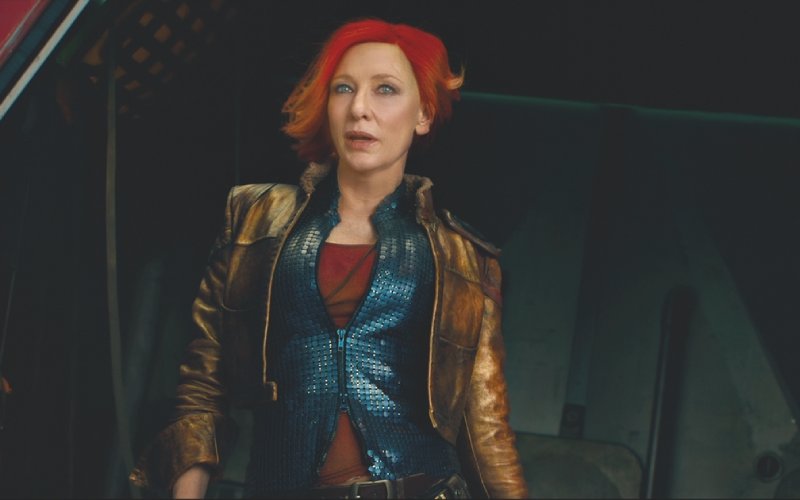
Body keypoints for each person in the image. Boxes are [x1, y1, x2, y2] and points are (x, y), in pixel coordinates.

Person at [130, 18, 529, 499]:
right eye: (344, 88)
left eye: (385, 89)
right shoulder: (256, 218)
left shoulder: (461, 256)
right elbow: (203, 384)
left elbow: (486, 427)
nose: (359, 108)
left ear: (423, 114)